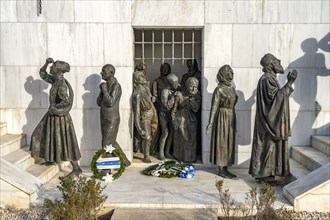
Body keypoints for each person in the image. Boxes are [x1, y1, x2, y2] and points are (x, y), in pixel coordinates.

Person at [249, 53, 297, 181]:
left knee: (272, 146)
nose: (280, 63)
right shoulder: (266, 79)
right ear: (270, 65)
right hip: (268, 123)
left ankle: (270, 172)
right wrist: (289, 84)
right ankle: (265, 174)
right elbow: (274, 101)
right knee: (269, 145)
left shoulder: (270, 78)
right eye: (277, 61)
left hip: (269, 122)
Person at [30, 57, 82, 176]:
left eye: (52, 67)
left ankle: (76, 168)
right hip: (54, 116)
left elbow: (66, 102)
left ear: (58, 70)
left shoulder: (61, 85)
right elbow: (43, 74)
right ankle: (51, 157)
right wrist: (46, 63)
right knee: (43, 136)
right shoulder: (55, 80)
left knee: (66, 142)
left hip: (60, 118)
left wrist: (54, 109)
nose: (50, 68)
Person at [206, 65, 237, 179]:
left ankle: (226, 167)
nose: (232, 73)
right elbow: (214, 107)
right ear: (224, 74)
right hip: (222, 117)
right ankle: (220, 168)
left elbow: (233, 105)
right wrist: (210, 123)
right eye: (229, 72)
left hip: (231, 116)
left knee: (229, 142)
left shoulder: (232, 88)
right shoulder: (219, 89)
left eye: (232, 71)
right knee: (222, 142)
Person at [97, 64, 131, 166]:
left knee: (106, 143)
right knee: (111, 142)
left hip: (112, 119)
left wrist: (105, 90)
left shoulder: (116, 86)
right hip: (104, 117)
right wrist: (101, 92)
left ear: (111, 73)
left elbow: (111, 102)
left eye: (104, 71)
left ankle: (106, 167)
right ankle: (125, 161)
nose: (101, 73)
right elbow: (98, 103)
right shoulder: (105, 86)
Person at [132, 64, 158, 163]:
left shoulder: (146, 88)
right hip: (145, 115)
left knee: (155, 133)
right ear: (137, 80)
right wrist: (139, 128)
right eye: (141, 76)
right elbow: (137, 112)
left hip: (153, 112)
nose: (144, 77)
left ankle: (151, 150)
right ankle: (146, 155)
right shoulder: (137, 94)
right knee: (147, 137)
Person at [172, 77, 200, 163]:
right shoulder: (179, 94)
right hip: (181, 117)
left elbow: (196, 109)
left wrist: (192, 100)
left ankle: (190, 157)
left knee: (192, 137)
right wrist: (174, 120)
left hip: (191, 118)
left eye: (195, 87)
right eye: (191, 86)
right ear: (187, 85)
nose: (193, 88)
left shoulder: (197, 96)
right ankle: (180, 156)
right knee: (183, 137)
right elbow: (174, 110)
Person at [158, 73, 180, 160]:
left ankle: (167, 152)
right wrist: (173, 98)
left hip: (171, 115)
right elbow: (166, 106)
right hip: (164, 115)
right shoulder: (165, 92)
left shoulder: (175, 88)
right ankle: (161, 153)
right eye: (175, 83)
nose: (177, 84)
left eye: (177, 82)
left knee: (171, 133)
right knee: (165, 133)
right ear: (169, 83)